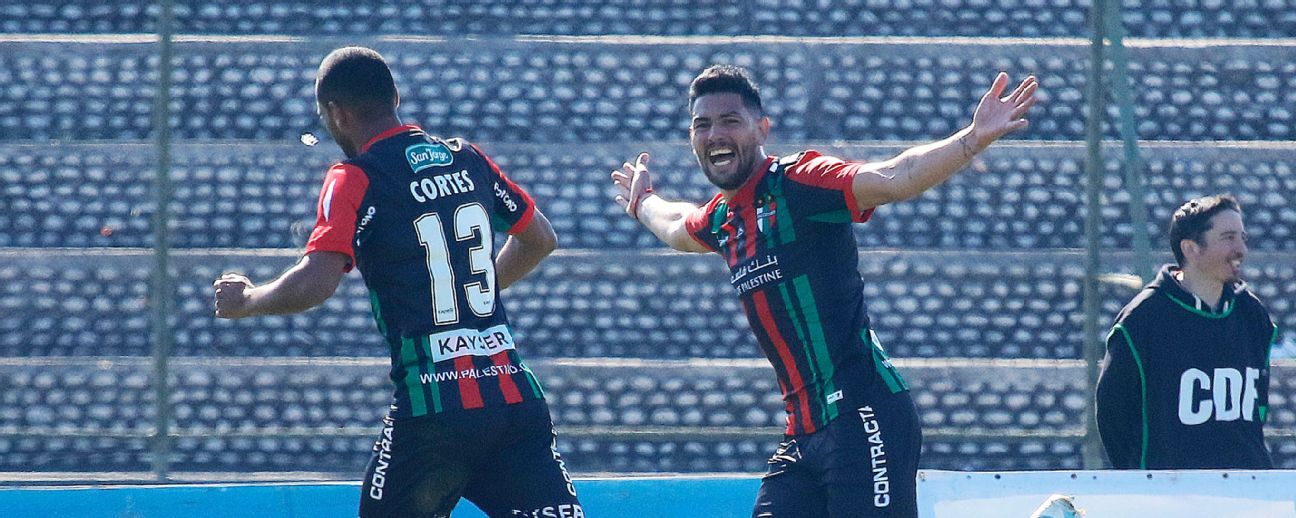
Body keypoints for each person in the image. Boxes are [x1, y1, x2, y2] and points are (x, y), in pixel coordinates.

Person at [612, 65, 1037, 517]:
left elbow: (895, 176)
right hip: (802, 433)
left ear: (762, 129)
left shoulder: (799, 181)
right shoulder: (723, 219)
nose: (715, 134)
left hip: (865, 415)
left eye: (730, 120)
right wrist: (643, 203)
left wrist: (972, 139)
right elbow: (676, 225)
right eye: (703, 125)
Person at [213, 47, 582, 518]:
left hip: (434, 408)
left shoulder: (355, 177)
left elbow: (316, 281)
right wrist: (475, 287)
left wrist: (248, 300)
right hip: (514, 398)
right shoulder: (467, 159)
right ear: (396, 98)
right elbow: (539, 239)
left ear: (337, 114)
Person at [1097, 194, 1278, 470]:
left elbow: (1257, 408)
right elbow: (1113, 416)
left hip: (1246, 488)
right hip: (1169, 490)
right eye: (1228, 238)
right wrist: (1144, 478)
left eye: (1242, 237)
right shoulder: (1143, 320)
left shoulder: (1252, 315)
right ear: (1191, 248)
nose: (1241, 249)